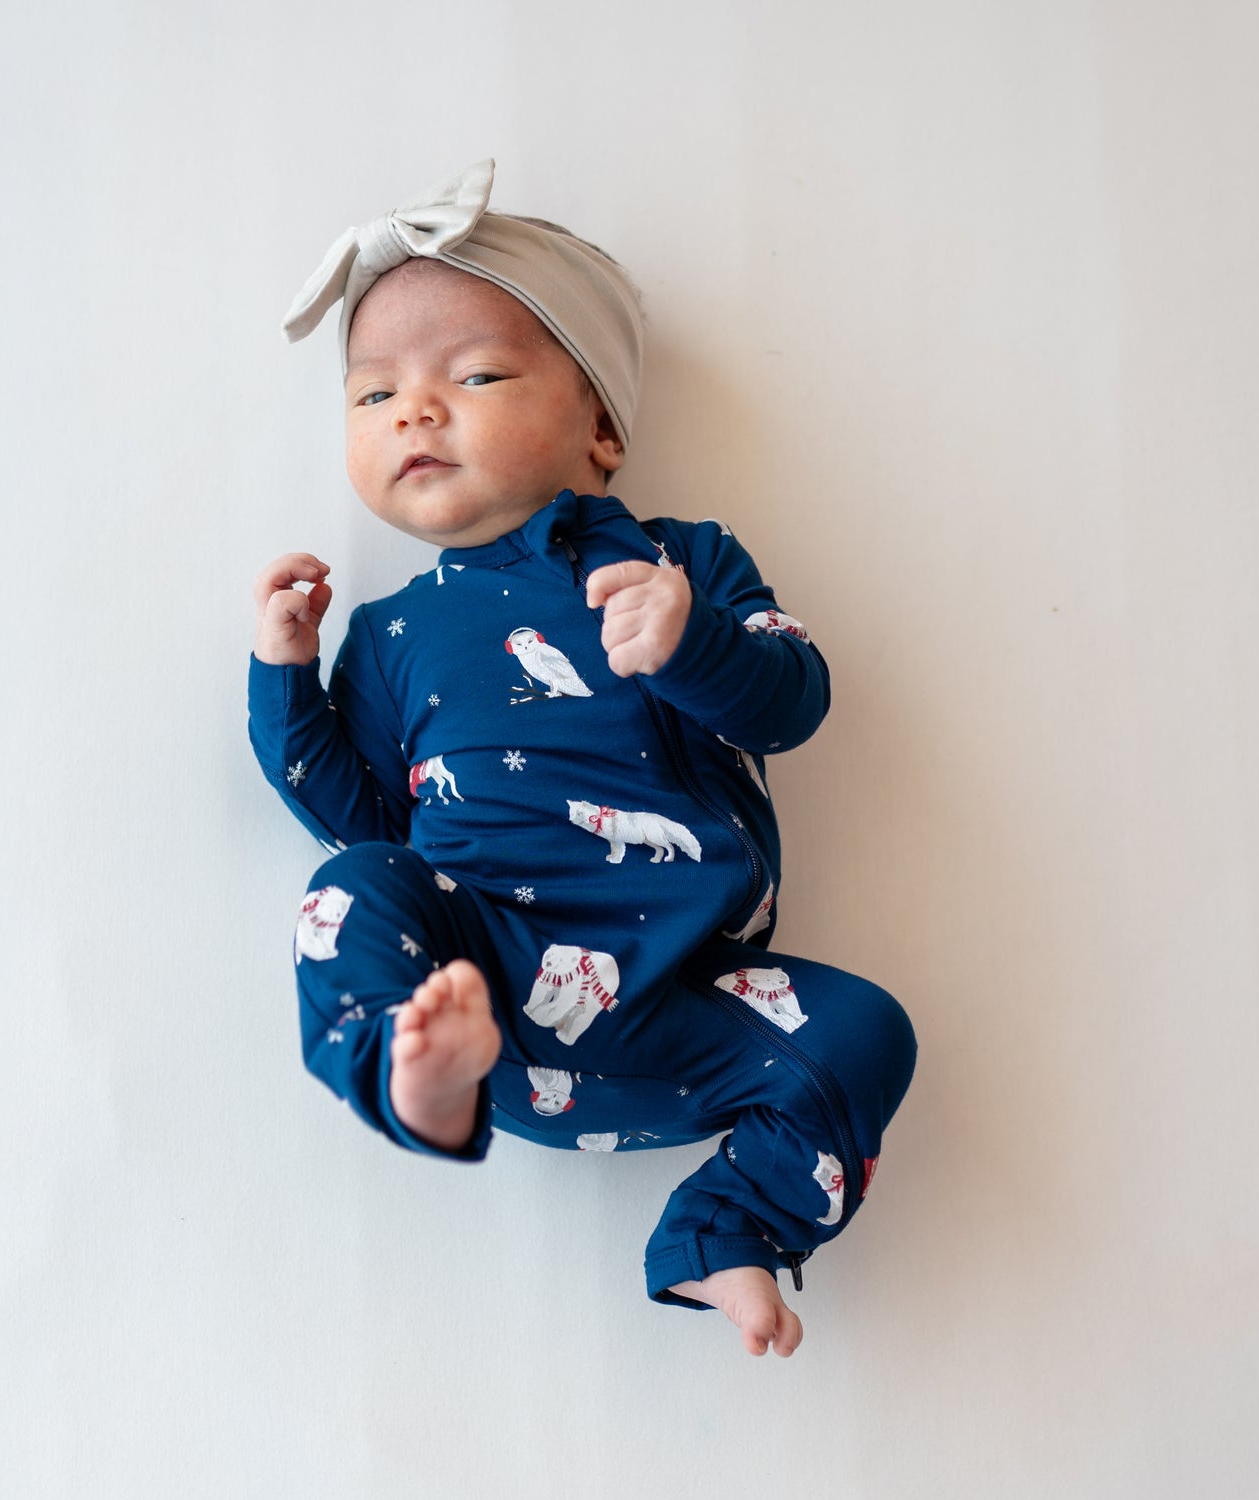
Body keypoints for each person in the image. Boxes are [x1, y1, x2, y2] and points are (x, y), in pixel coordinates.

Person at [249, 160, 916, 1357]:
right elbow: (358, 819)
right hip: (483, 981)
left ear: (600, 427)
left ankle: (723, 1233)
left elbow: (792, 702)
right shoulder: (393, 632)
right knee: (350, 895)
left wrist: (689, 640)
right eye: (371, 396)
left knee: (869, 1030)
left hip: (682, 994)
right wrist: (285, 679)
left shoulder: (684, 559)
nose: (414, 410)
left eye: (476, 375)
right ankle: (412, 1081)